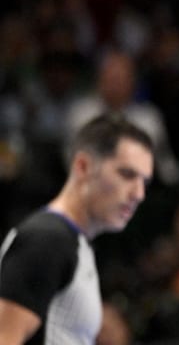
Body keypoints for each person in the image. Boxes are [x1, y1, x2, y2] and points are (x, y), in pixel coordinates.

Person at [0, 114, 154, 344]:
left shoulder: (72, 242)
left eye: (145, 182)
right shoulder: (46, 240)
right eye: (127, 174)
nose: (139, 194)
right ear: (83, 167)